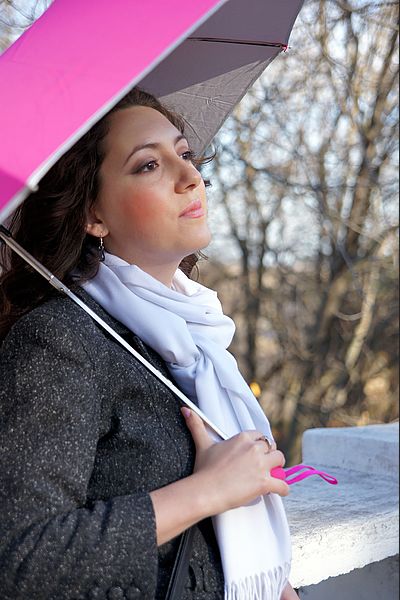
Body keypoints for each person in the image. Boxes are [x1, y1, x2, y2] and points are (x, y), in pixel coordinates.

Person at [0, 87, 299, 600]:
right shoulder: (60, 339)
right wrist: (206, 491)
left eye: (184, 154)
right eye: (147, 166)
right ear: (93, 215)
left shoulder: (193, 341)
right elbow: (21, 557)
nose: (190, 178)